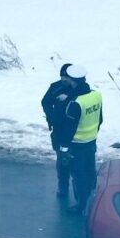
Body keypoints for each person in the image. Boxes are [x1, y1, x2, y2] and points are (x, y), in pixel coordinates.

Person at [60, 65, 103, 214]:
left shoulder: (76, 103)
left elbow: (69, 129)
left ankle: (81, 205)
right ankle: (95, 199)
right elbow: (100, 118)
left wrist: (64, 147)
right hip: (91, 141)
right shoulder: (96, 95)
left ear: (72, 80)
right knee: (90, 170)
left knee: (78, 175)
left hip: (77, 144)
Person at [40, 63, 77, 200]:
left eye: (66, 76)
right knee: (62, 160)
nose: (63, 79)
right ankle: (63, 187)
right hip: (59, 132)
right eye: (62, 76)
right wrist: (52, 116)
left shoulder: (77, 89)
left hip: (74, 131)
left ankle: (78, 189)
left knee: (75, 161)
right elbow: (45, 102)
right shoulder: (55, 87)